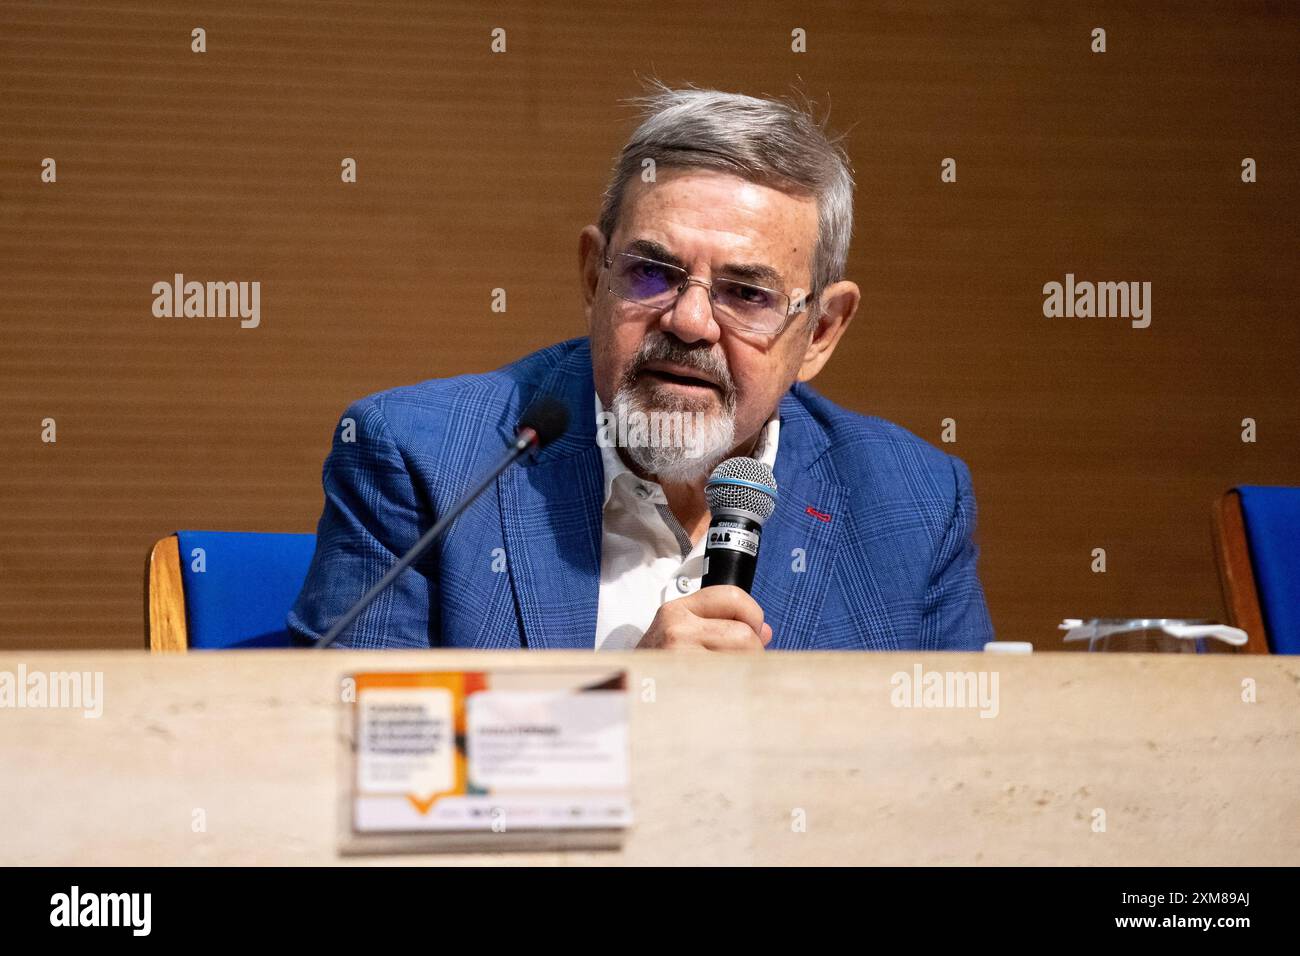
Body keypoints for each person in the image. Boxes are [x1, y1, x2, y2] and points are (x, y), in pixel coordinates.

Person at [288, 84, 994, 651]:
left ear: (821, 331)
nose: (688, 322)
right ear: (595, 278)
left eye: (747, 294)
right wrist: (627, 712)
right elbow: (362, 759)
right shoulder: (425, 460)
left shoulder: (913, 504)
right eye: (651, 274)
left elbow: (958, 788)